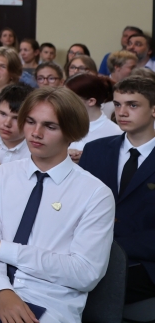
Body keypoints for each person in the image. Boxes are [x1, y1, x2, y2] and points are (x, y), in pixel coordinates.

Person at [0, 88, 115, 323]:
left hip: (49, 300)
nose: (36, 133)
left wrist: (3, 250)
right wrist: (3, 291)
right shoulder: (1, 176)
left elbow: (85, 273)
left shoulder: (95, 194)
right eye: (30, 122)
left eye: (50, 126)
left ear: (71, 132)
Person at [79, 76, 155, 304]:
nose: (122, 112)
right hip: (88, 253)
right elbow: (77, 205)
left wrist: (111, 247)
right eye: (118, 104)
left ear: (153, 109)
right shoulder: (95, 150)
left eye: (133, 105)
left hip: (145, 262)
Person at [66, 73, 121, 162]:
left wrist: (87, 159)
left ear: (91, 101)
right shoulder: (64, 125)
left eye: (70, 98)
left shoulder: (115, 133)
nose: (64, 102)